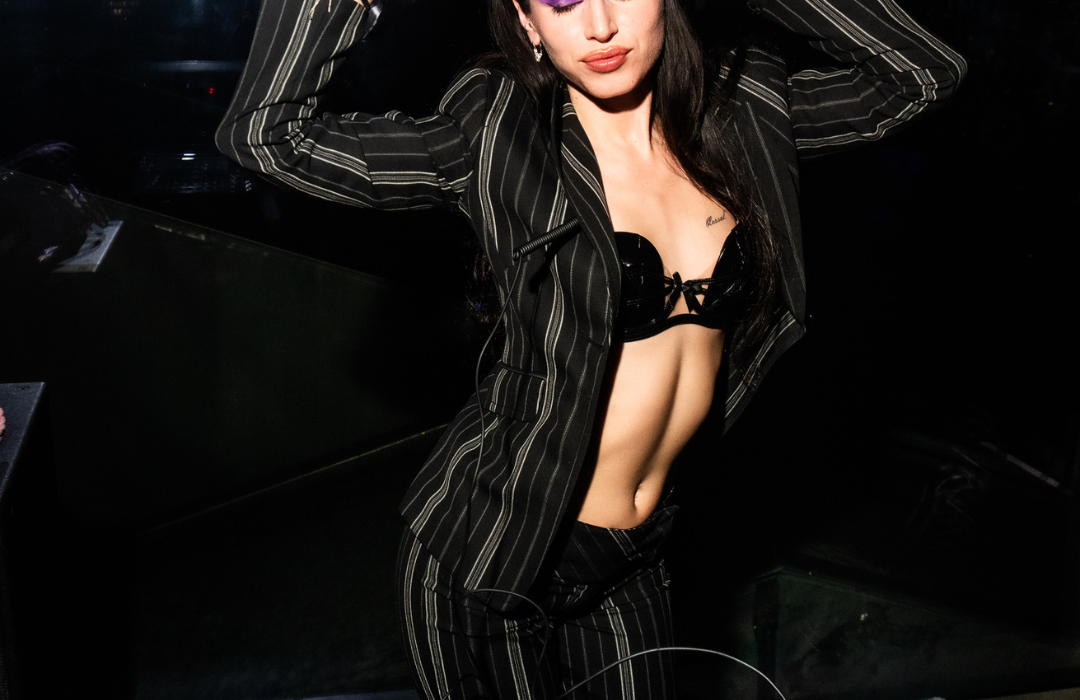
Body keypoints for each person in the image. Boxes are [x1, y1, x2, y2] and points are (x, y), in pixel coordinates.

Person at [217, 0, 965, 696]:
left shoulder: (746, 112)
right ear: (526, 21)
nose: (601, 26)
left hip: (635, 553)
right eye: (563, 1)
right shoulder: (496, 139)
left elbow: (921, 75)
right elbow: (265, 137)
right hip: (490, 548)